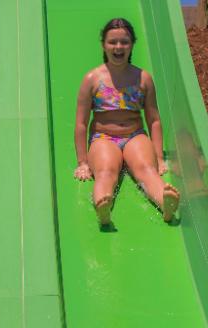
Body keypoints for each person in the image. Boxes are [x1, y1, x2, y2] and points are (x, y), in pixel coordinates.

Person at [73, 17, 180, 227]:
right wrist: (82, 163)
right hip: (103, 138)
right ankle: (102, 206)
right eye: (113, 42)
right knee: (105, 171)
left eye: (124, 42)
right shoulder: (92, 79)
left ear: (132, 45)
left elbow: (154, 119)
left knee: (146, 170)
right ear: (104, 45)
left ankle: (165, 203)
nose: (118, 47)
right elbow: (81, 124)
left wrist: (159, 158)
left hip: (135, 136)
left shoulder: (143, 78)